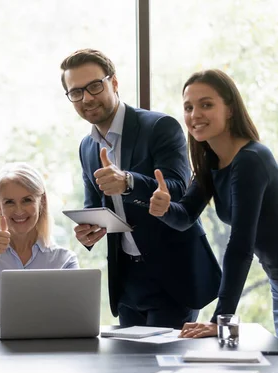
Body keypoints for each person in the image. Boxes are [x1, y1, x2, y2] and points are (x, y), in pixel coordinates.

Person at [149, 69, 278, 362]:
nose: (195, 114)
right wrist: (163, 209)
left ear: (230, 109)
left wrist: (220, 319)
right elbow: (185, 215)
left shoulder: (250, 159)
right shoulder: (212, 161)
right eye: (188, 107)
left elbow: (240, 248)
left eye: (206, 104)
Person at [60, 49, 221, 328]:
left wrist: (128, 181)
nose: (87, 98)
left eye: (95, 86)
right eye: (76, 92)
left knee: (163, 368)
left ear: (114, 83)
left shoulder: (159, 126)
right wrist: (89, 229)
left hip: (172, 276)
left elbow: (178, 190)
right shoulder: (87, 147)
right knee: (128, 370)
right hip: (126, 281)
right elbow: (93, 204)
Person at [0, 163, 79, 326]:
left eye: (27, 200)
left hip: (46, 342)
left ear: (42, 202)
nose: (19, 211)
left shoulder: (64, 260)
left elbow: (74, 313)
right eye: (9, 202)